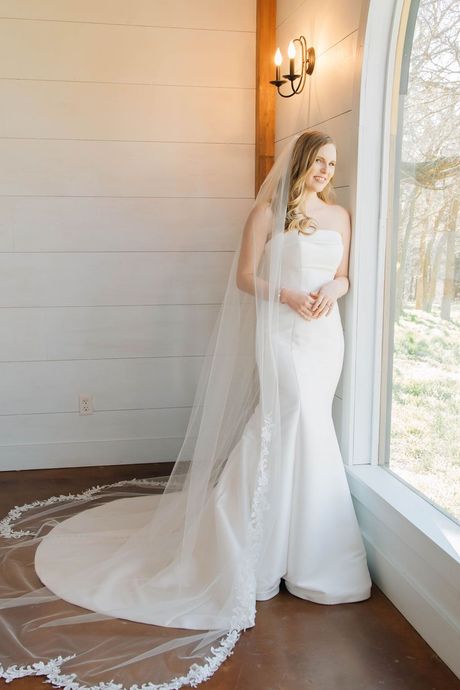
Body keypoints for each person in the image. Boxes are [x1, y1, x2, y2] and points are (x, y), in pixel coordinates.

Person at [0, 130, 372, 690]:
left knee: (311, 426)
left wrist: (334, 292)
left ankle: (310, 556)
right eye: (318, 161)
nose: (325, 170)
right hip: (283, 335)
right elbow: (245, 278)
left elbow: (344, 273)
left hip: (326, 339)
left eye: (332, 163)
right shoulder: (266, 215)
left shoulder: (341, 216)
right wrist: (290, 296)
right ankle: (257, 555)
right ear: (299, 163)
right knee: (285, 420)